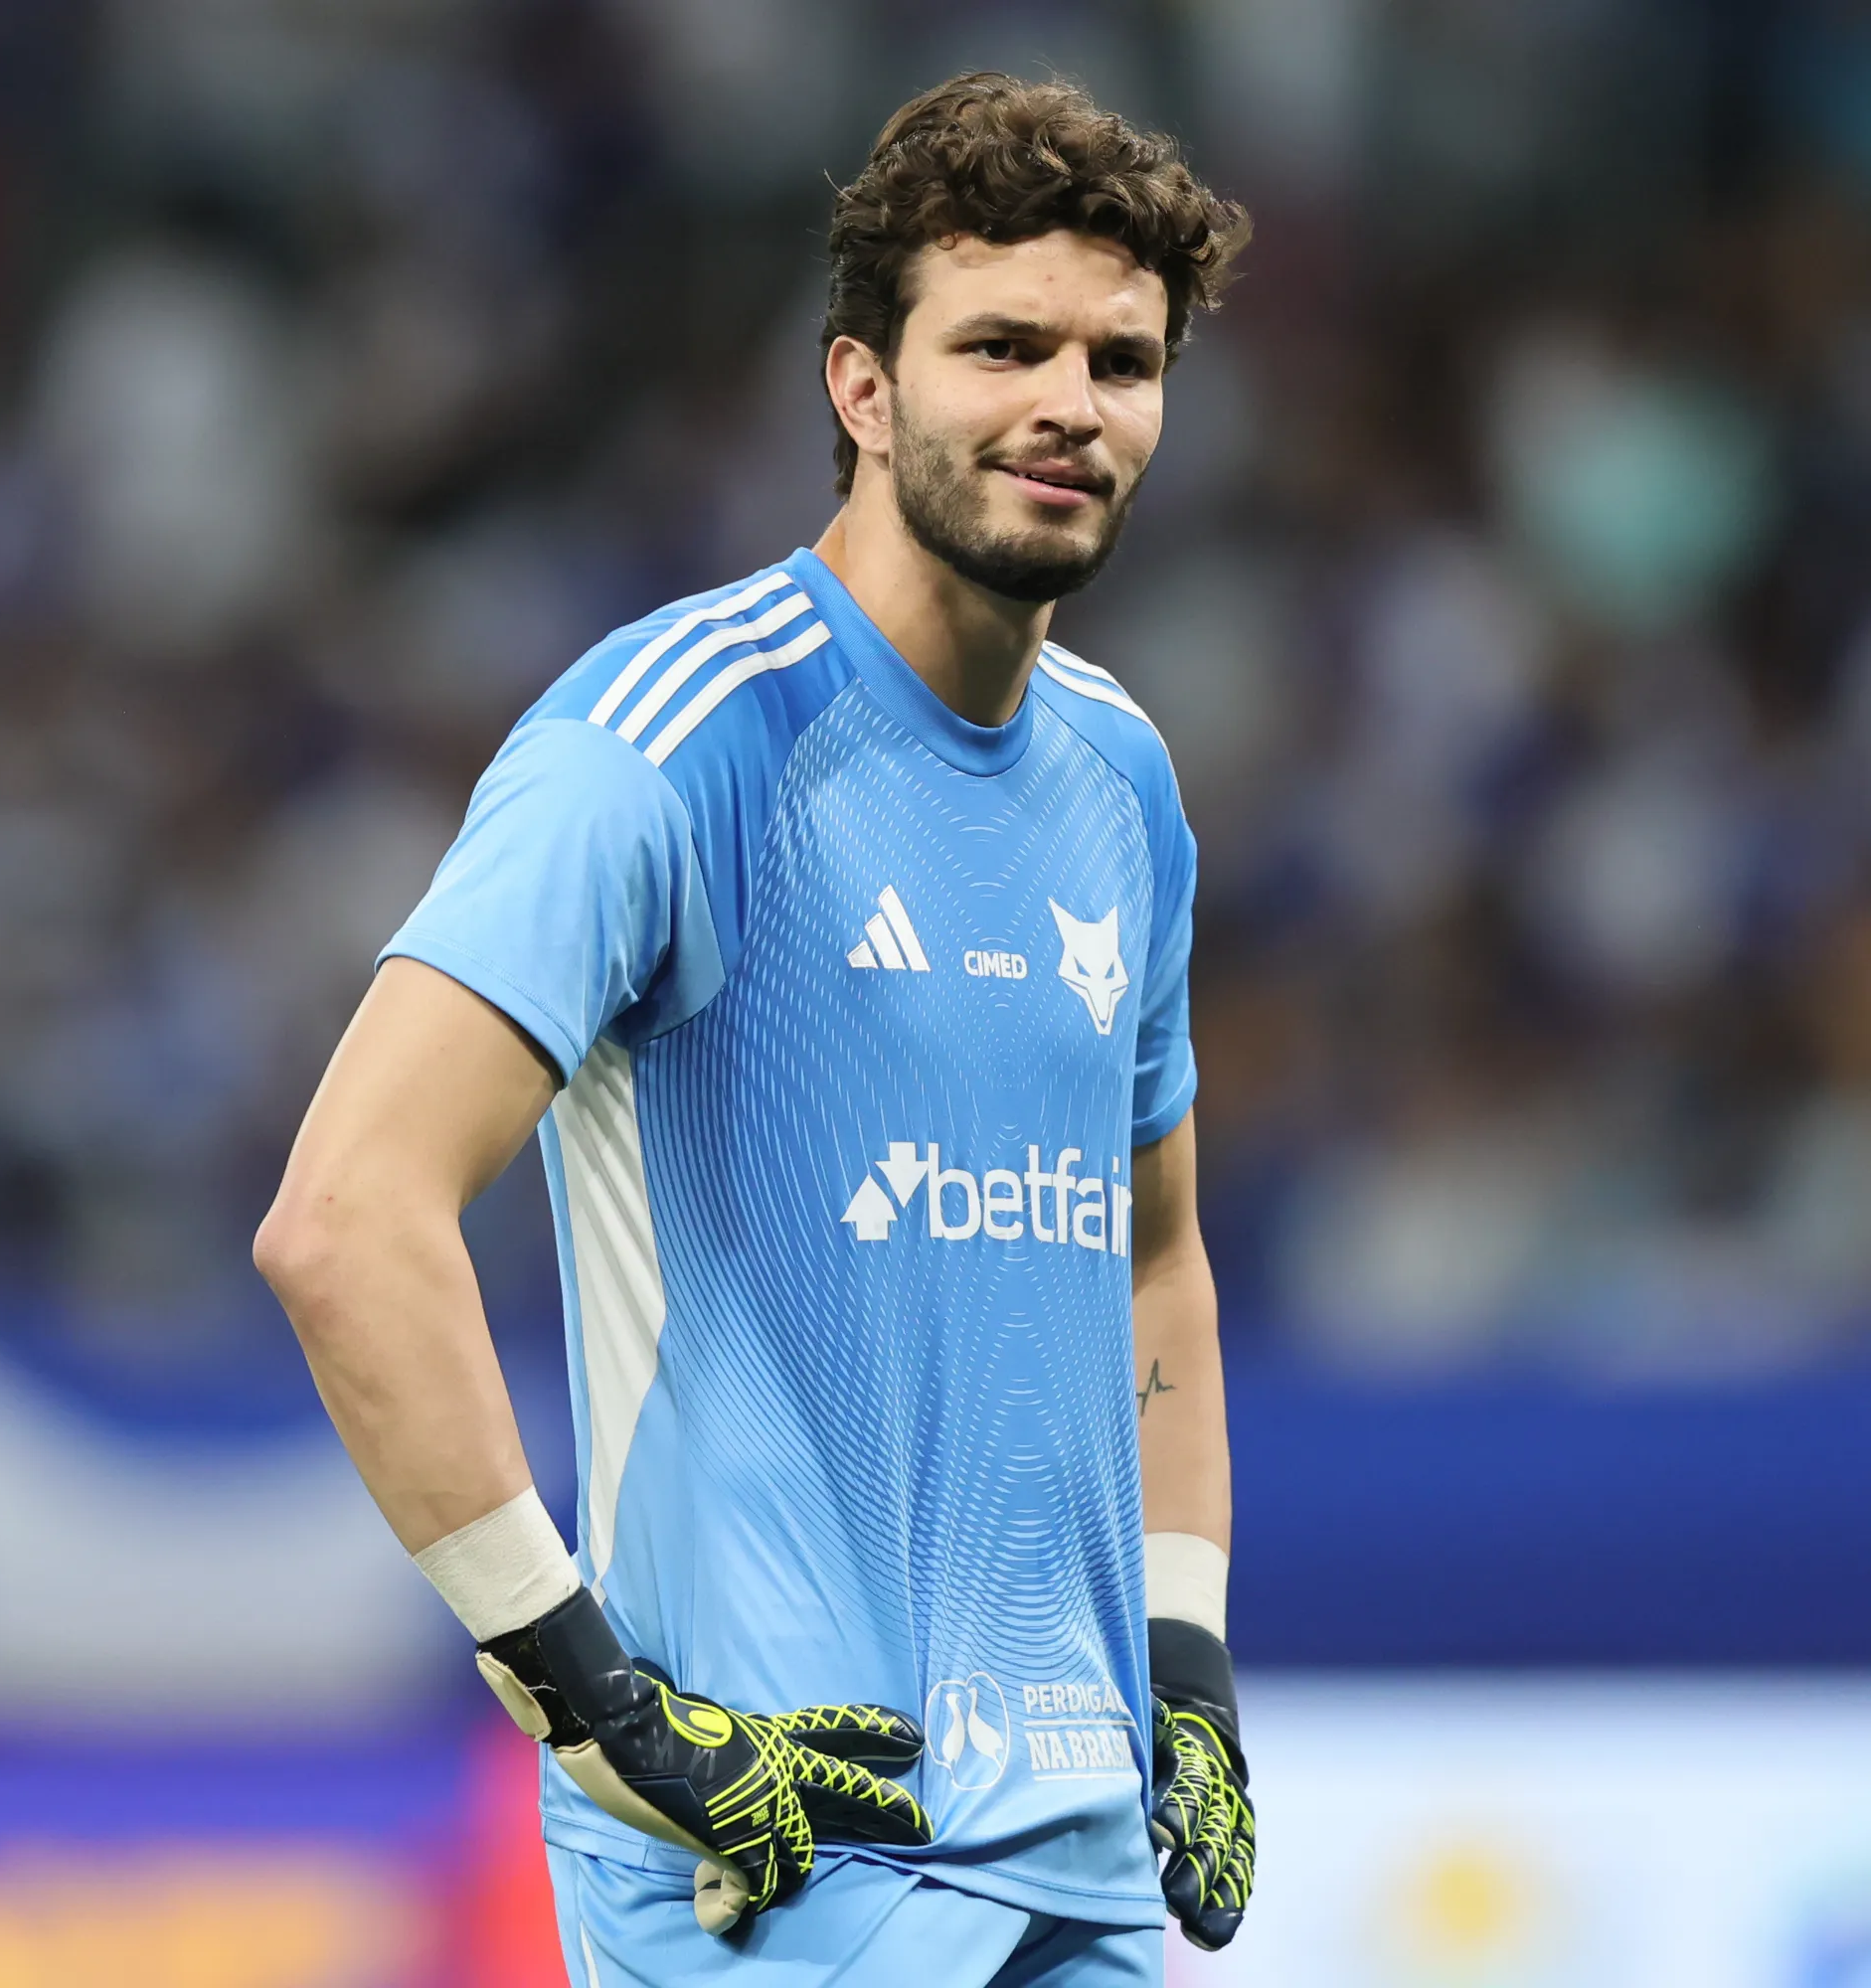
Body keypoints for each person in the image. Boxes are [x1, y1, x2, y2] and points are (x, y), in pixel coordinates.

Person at [255, 73, 1254, 1987]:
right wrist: (595, 1706)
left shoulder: (1123, 778)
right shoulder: (673, 734)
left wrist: (1185, 1664)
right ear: (861, 389)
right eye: (1003, 346)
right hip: (787, 1859)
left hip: (1083, 1860)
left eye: (1120, 361)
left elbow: (1153, 1260)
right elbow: (345, 1219)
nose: (1071, 402)